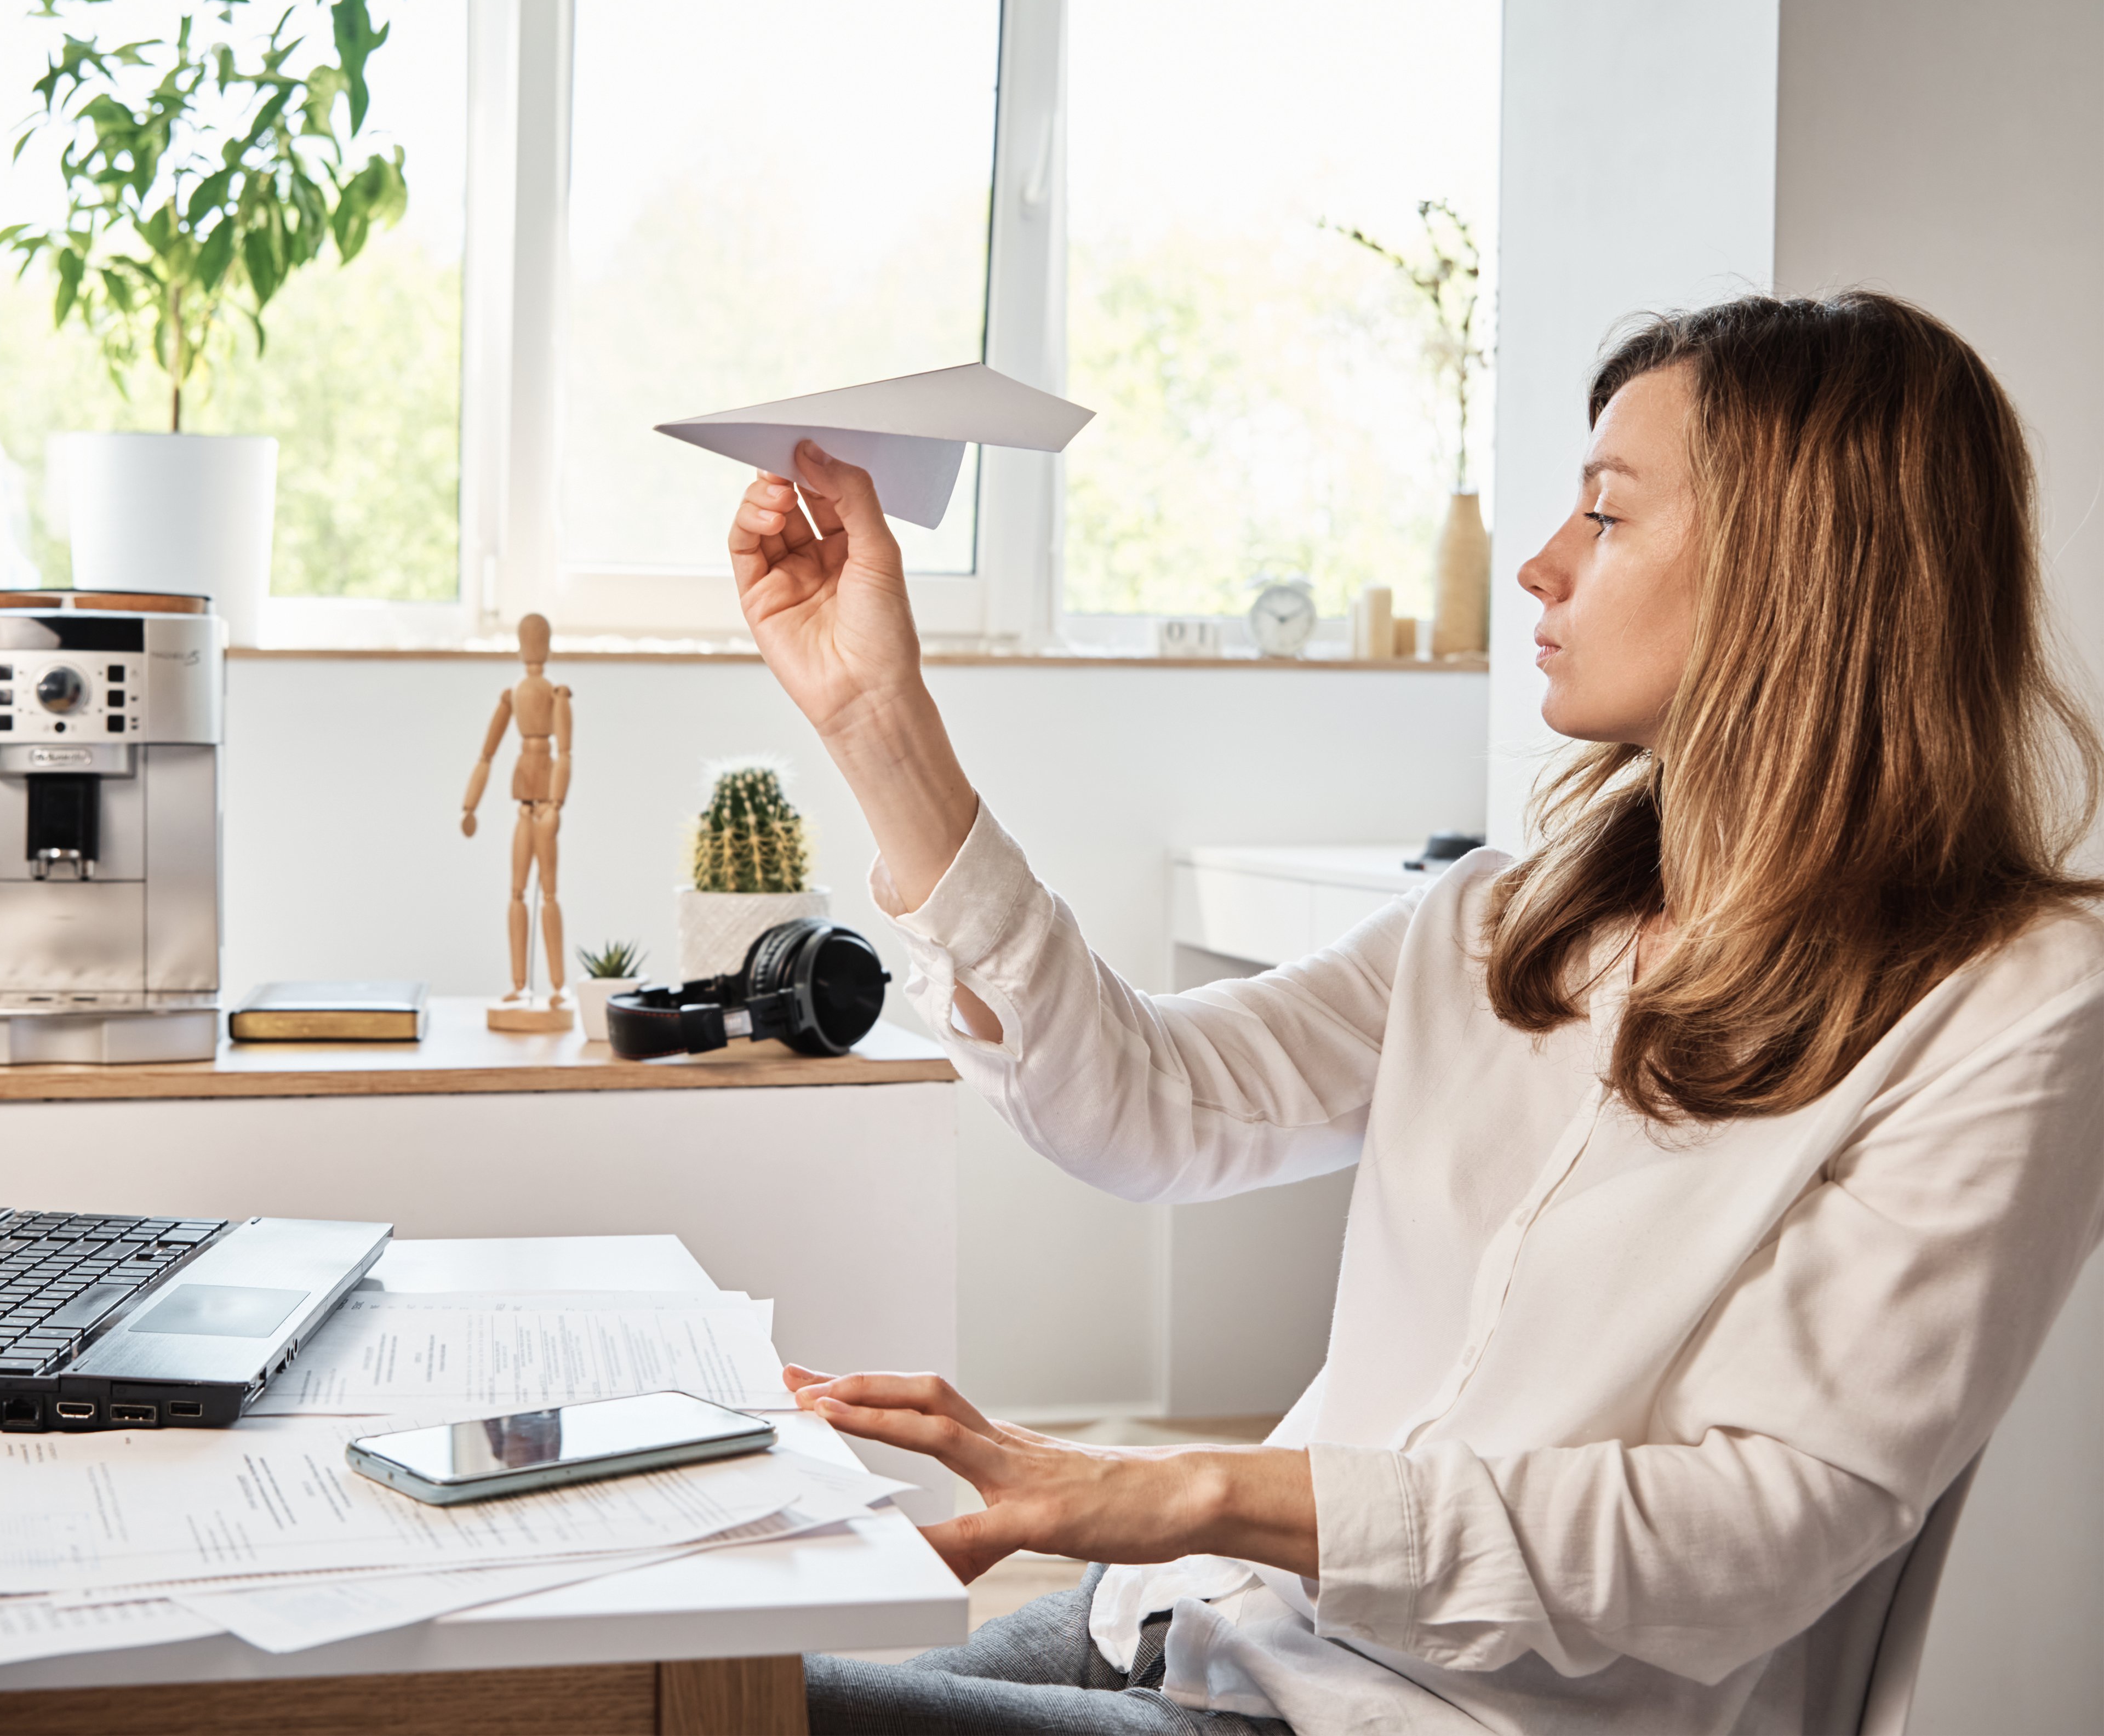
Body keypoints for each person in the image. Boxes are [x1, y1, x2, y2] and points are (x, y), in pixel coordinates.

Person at [729, 291, 2104, 1735]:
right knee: (670, 1696)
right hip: (1201, 1616)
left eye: (1609, 515)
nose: (1542, 564)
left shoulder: (2012, 1000)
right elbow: (1151, 1104)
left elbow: (1752, 1531)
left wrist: (1182, 1485)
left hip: (1426, 1716)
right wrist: (879, 721)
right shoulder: (1511, 915)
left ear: (1796, 572)